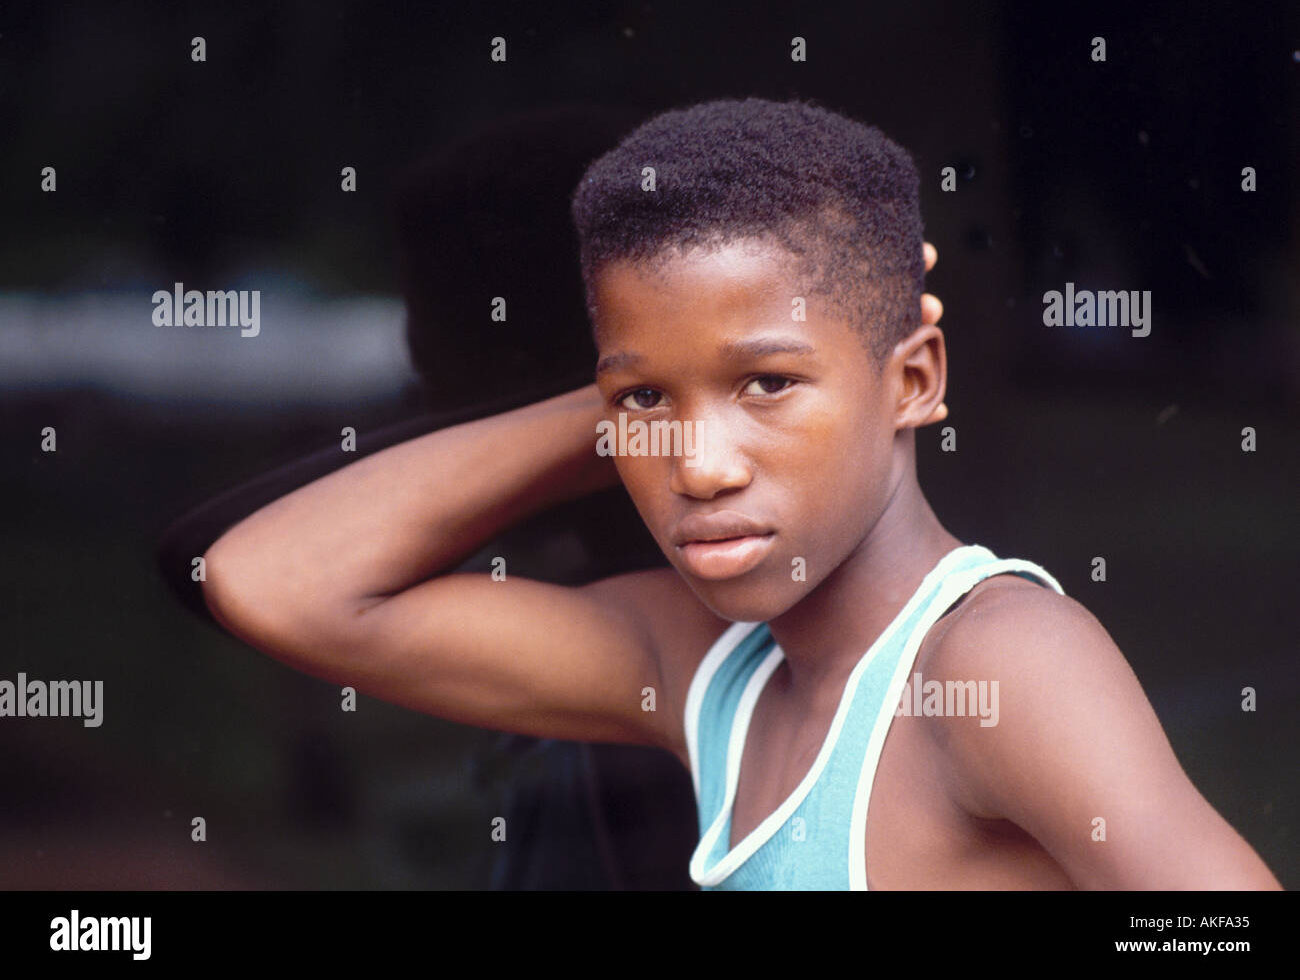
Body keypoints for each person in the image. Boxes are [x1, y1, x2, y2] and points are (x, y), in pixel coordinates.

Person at [200, 97, 1280, 889]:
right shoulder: (701, 669)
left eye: (770, 383)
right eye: (647, 407)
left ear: (912, 380)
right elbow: (275, 584)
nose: (703, 466)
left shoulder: (994, 661)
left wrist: (663, 375)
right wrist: (629, 389)